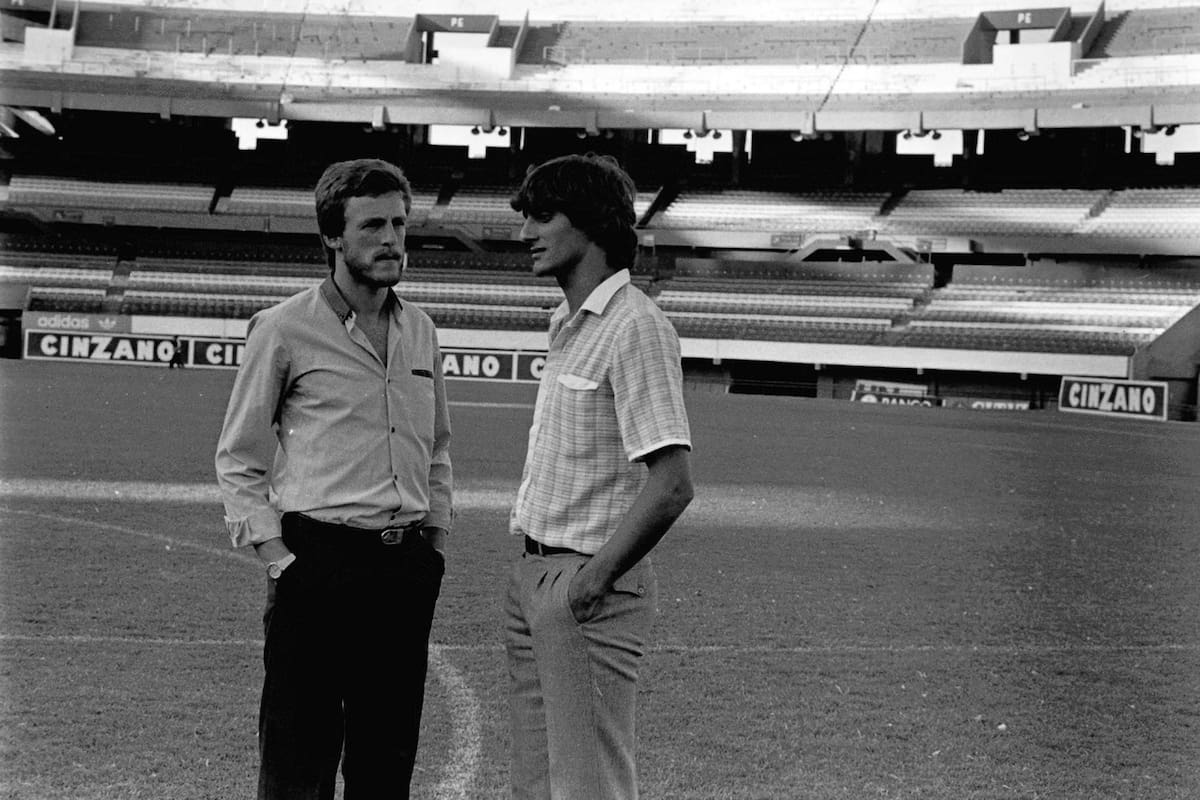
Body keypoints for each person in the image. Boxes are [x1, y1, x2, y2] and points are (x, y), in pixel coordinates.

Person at [214, 158, 452, 800]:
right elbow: (239, 456)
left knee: (387, 759)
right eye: (372, 225)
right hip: (316, 563)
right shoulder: (285, 327)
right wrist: (279, 558)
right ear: (333, 237)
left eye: (399, 223)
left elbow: (437, 447)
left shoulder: (422, 330)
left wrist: (433, 540)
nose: (392, 240)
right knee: (299, 760)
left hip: (402, 572)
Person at [505, 153, 695, 800]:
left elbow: (672, 483)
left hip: (584, 587)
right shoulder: (566, 322)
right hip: (533, 576)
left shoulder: (636, 327)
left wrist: (592, 582)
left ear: (589, 224)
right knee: (539, 785)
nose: (525, 232)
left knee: (588, 789)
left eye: (543, 216)